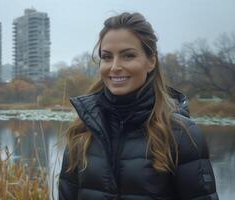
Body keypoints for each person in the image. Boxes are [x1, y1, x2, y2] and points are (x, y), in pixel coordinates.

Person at [58, 12, 218, 200]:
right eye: (107, 57)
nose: (115, 66)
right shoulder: (82, 131)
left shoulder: (182, 135)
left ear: (151, 61)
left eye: (128, 56)